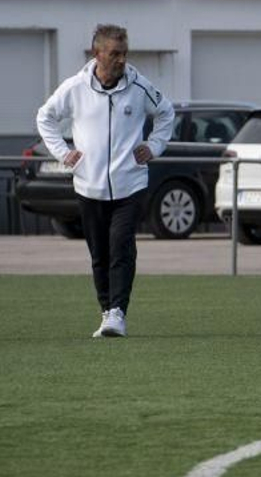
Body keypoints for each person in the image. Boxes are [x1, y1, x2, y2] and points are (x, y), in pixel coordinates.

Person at [35, 24, 175, 338]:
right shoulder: (74, 88)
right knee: (99, 253)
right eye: (114, 54)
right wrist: (62, 151)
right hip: (88, 187)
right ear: (97, 53)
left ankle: (118, 314)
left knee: (121, 246)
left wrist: (153, 146)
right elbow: (44, 117)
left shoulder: (139, 87)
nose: (121, 60)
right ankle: (106, 311)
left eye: (124, 53)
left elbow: (166, 113)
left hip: (130, 186)